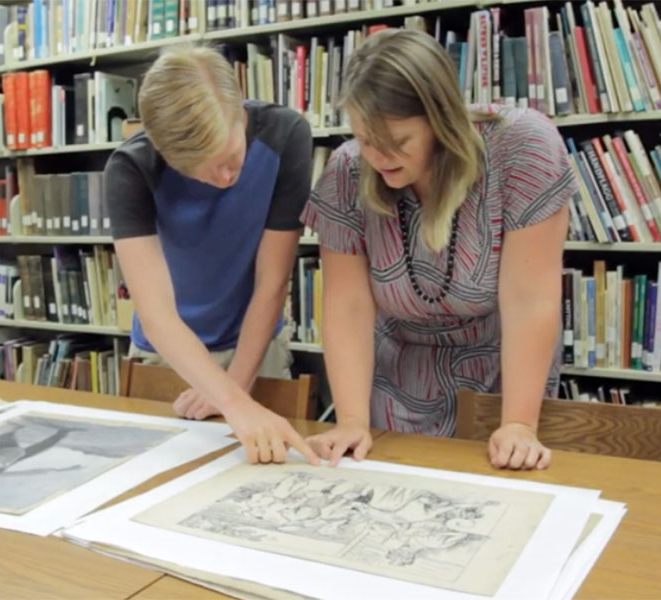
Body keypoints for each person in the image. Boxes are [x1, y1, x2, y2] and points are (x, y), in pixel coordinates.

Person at [302, 29, 576, 471]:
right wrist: (351, 419)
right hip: (396, 380)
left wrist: (519, 424)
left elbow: (530, 300)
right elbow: (348, 305)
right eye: (365, 138)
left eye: (398, 141)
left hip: (503, 375)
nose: (378, 156)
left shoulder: (522, 147)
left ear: (440, 117)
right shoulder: (348, 169)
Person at [103, 45, 318, 465]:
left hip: (254, 347)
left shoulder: (286, 135)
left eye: (231, 157)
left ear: (239, 112)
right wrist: (233, 400)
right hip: (166, 354)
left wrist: (232, 391)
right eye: (201, 167)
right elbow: (156, 312)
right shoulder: (130, 168)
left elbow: (271, 283)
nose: (224, 177)